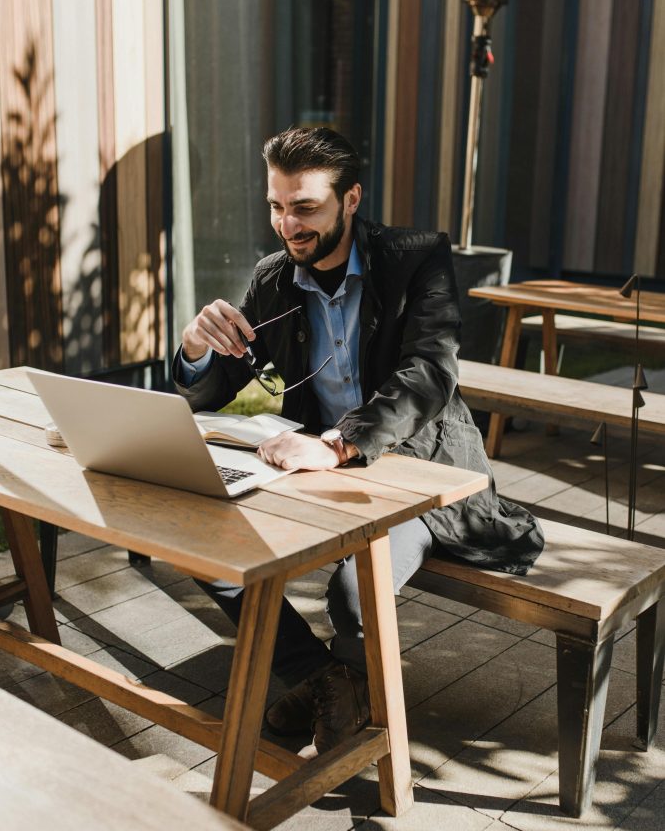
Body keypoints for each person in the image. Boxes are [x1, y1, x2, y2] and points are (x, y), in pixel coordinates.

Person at [173, 126, 544, 756]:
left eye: (306, 208)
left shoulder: (415, 258)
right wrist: (194, 347)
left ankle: (334, 698)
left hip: (419, 469)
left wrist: (338, 443)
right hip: (321, 472)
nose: (288, 225)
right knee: (203, 544)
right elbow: (210, 390)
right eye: (276, 206)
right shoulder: (274, 278)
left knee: (352, 592)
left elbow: (429, 374)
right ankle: (328, 682)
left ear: (351, 200)